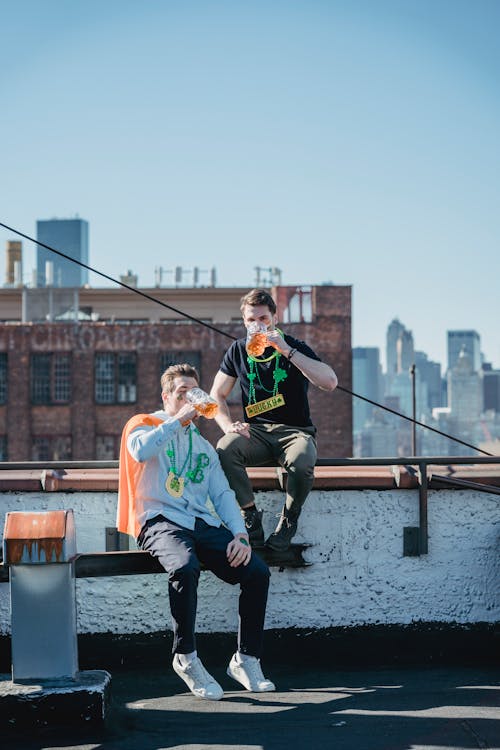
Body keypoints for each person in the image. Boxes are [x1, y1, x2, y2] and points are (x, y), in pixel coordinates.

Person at [117, 363, 275, 701]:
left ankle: (246, 659)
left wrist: (240, 535)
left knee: (257, 572)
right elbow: (139, 451)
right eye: (181, 392)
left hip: (199, 522)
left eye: (193, 391)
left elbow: (222, 495)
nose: (189, 397)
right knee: (184, 566)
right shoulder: (145, 424)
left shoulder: (204, 447)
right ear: (166, 397)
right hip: (158, 520)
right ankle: (185, 657)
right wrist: (180, 419)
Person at [210, 288, 338, 551]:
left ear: (274, 319)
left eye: (263, 319)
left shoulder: (294, 347)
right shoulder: (238, 350)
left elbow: (330, 382)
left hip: (295, 432)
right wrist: (228, 425)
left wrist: (286, 350)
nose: (257, 325)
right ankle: (249, 516)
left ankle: (288, 521)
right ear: (244, 322)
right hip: (256, 432)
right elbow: (216, 396)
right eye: (251, 320)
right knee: (224, 448)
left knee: (303, 460)